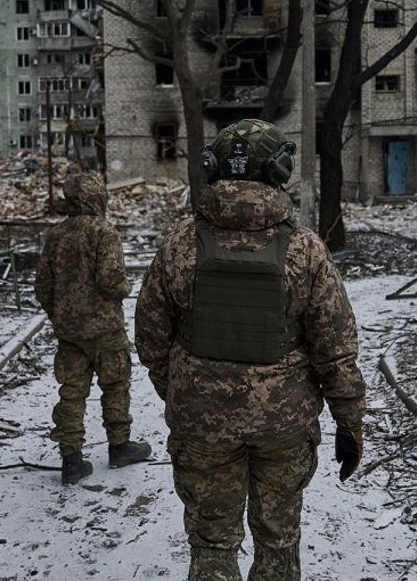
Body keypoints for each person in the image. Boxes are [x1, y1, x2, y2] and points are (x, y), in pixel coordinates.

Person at [135, 119, 366, 581]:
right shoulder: (305, 249)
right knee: (278, 543)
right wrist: (349, 422)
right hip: (283, 427)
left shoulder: (180, 244)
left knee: (212, 547)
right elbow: (335, 349)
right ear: (278, 171)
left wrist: (185, 390)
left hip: (201, 426)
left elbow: (151, 337)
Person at [35, 172, 152, 485]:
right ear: (98, 197)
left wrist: (59, 314)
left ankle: (71, 458)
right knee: (115, 385)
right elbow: (111, 281)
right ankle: (119, 446)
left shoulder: (56, 236)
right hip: (105, 328)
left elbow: (43, 285)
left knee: (71, 392)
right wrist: (127, 287)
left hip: (69, 332)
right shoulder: (104, 231)